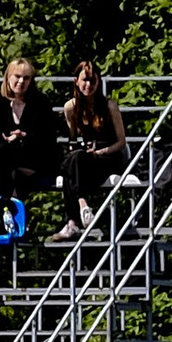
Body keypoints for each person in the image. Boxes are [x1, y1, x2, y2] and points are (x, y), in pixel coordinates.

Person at [0, 54, 59, 234]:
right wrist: (6, 142)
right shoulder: (2, 105)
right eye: (17, 76)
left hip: (38, 161)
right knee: (5, 153)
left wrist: (23, 136)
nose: (21, 81)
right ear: (8, 78)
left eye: (26, 78)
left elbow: (47, 141)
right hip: (9, 163)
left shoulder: (41, 103)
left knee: (6, 154)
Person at [54, 58, 128, 240]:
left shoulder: (109, 106)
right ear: (76, 82)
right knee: (72, 162)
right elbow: (73, 140)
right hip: (86, 157)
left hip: (109, 155)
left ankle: (73, 220)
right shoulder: (71, 107)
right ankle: (82, 207)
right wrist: (84, 149)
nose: (88, 85)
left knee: (71, 166)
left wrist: (101, 152)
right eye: (85, 80)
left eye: (92, 80)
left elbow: (121, 142)